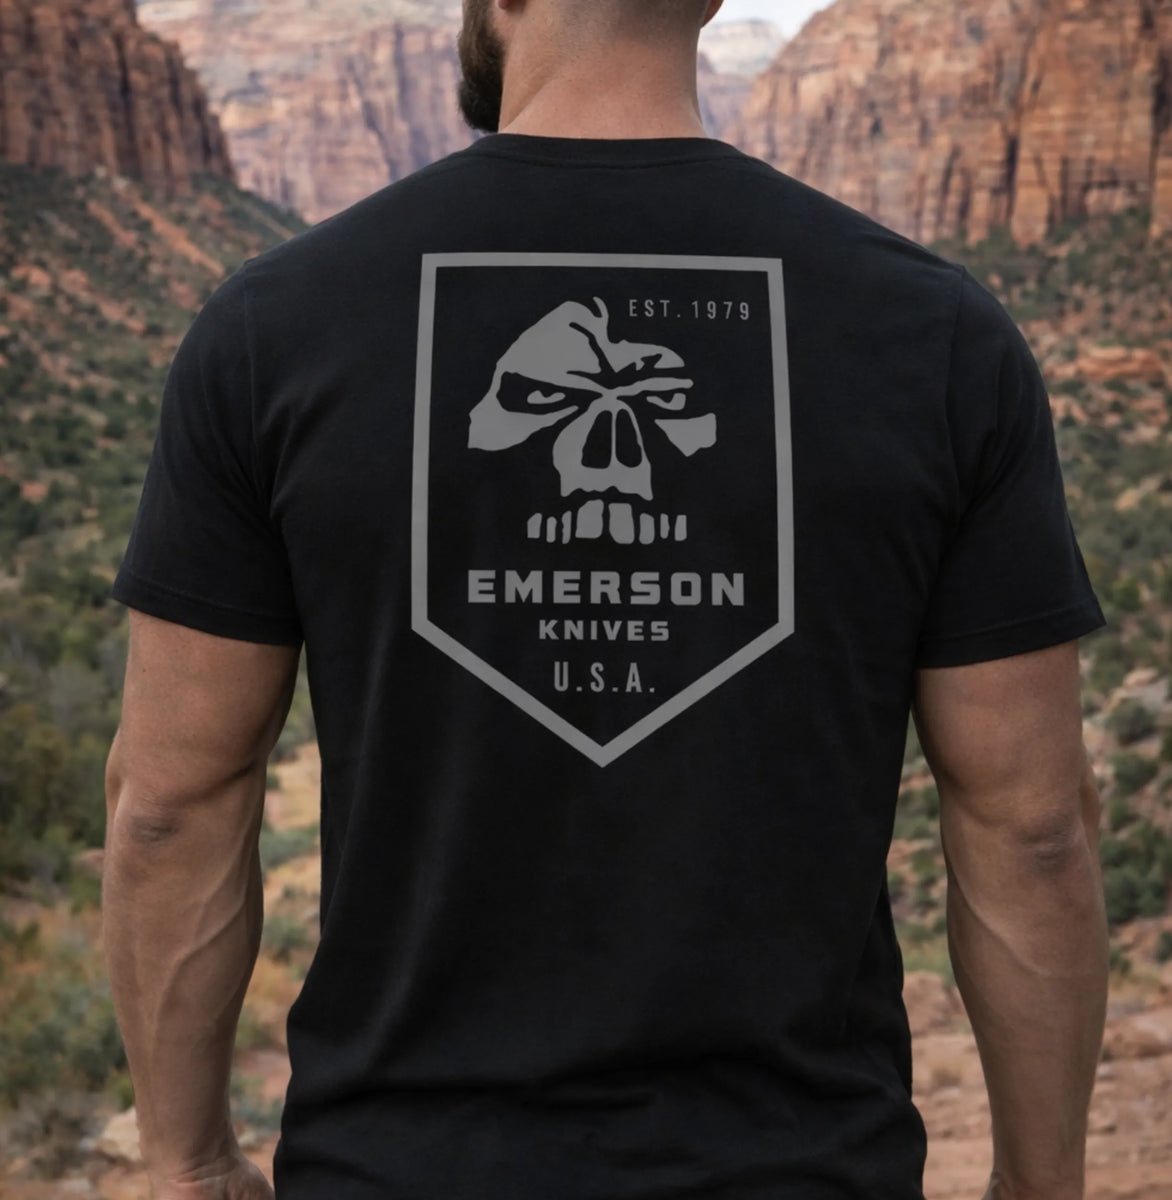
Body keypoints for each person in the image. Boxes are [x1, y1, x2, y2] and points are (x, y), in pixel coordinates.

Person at [102, 0, 1110, 1197]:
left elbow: (170, 805)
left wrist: (189, 1163)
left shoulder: (272, 328)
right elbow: (1032, 827)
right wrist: (1040, 1185)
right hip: (803, 1169)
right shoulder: (939, 336)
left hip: (400, 1169)